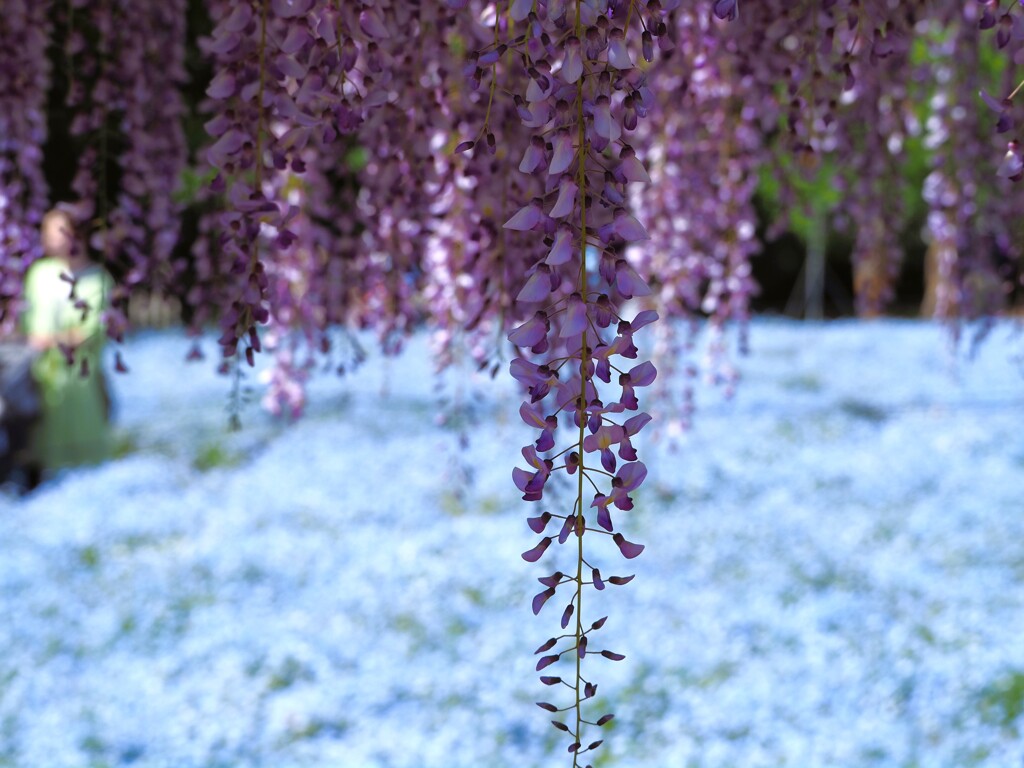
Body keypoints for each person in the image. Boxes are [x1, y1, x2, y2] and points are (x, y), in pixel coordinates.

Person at [22, 208, 113, 475]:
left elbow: (88, 333)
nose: (47, 238)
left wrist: (52, 339)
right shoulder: (39, 274)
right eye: (45, 231)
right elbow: (32, 333)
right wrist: (59, 339)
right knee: (48, 462)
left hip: (83, 385)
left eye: (56, 231)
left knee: (88, 464)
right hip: (44, 386)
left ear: (78, 234)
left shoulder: (99, 279)